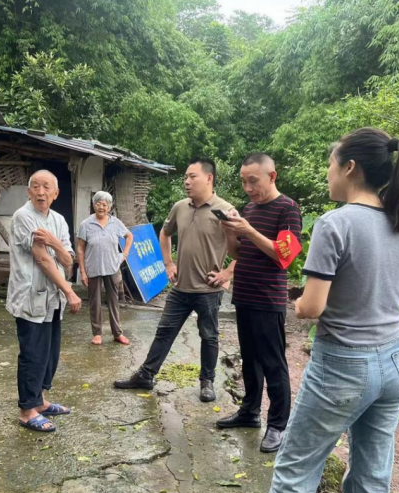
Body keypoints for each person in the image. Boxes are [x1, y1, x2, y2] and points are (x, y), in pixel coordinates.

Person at [250, 128, 399, 493]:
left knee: (296, 471)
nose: (327, 173)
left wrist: (297, 304)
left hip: (342, 366)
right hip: (394, 364)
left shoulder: (335, 224)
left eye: (330, 164)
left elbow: (311, 307)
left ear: (349, 167)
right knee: (373, 478)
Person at [113, 157, 236, 402]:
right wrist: (168, 263)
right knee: (164, 332)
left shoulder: (225, 210)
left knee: (209, 336)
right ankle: (146, 375)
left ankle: (207, 382)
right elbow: (165, 232)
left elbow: (245, 248)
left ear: (209, 178)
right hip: (180, 288)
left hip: (209, 290)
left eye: (192, 176)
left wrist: (227, 273)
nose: (186, 181)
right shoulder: (180, 207)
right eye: (185, 177)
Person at [216, 153, 302, 454]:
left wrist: (249, 231)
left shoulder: (288, 208)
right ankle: (250, 412)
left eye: (252, 181)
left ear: (272, 176)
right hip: (244, 295)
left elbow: (286, 256)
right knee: (250, 359)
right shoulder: (250, 209)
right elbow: (239, 254)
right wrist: (229, 233)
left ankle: (277, 425)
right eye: (243, 182)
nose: (248, 188)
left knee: (273, 363)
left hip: (268, 299)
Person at [7, 170, 83, 433]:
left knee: (49, 353)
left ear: (56, 193)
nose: (41, 192)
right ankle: (27, 411)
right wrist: (69, 291)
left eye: (46, 187)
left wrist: (54, 242)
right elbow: (42, 259)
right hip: (30, 298)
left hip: (51, 300)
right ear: (29, 191)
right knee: (33, 354)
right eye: (36, 187)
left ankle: (39, 401)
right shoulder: (23, 217)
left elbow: (68, 260)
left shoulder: (59, 220)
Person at [76, 190, 134, 346]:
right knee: (94, 301)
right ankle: (97, 333)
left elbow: (129, 236)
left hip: (112, 266)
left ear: (109, 206)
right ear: (93, 205)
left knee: (113, 300)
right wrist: (82, 271)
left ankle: (117, 333)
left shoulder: (115, 223)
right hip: (93, 267)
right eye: (98, 204)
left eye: (104, 204)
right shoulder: (86, 224)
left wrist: (124, 254)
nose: (101, 207)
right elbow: (80, 248)